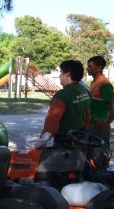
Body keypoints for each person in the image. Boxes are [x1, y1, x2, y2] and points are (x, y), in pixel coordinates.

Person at [37, 60, 91, 189]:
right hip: (80, 138)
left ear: (67, 74)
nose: (59, 76)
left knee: (59, 175)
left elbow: (52, 121)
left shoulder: (62, 95)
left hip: (64, 142)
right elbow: (88, 116)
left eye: (61, 72)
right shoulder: (85, 91)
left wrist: (42, 141)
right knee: (78, 169)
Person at [87, 56, 114, 168]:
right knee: (90, 158)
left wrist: (106, 122)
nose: (88, 69)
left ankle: (101, 183)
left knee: (99, 159)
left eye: (91, 66)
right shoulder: (94, 82)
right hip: (92, 125)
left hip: (99, 127)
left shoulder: (104, 84)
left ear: (99, 67)